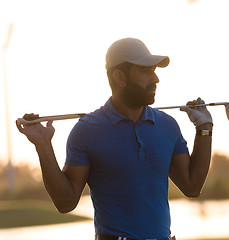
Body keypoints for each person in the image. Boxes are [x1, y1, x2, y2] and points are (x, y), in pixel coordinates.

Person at [17, 38, 213, 240]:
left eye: (154, 71)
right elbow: (66, 203)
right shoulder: (87, 131)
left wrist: (204, 129)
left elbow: (192, 186)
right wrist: (43, 145)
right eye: (146, 72)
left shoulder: (168, 125)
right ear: (120, 77)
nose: (155, 79)